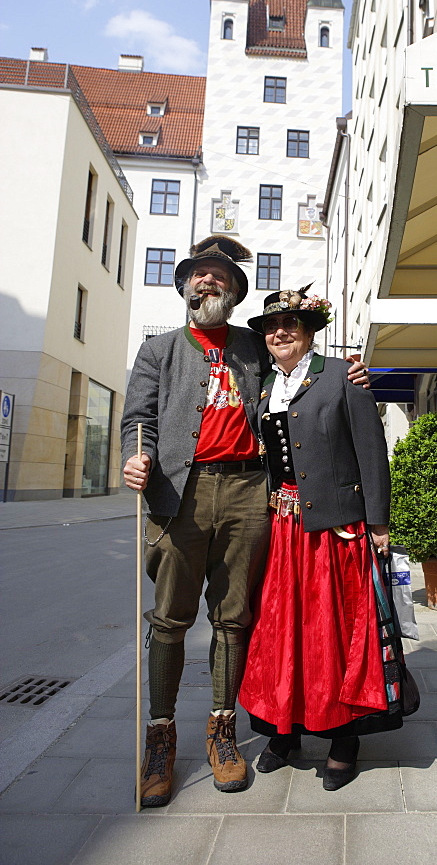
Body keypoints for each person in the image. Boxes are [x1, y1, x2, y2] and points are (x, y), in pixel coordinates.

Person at [121, 237, 368, 806]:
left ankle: (223, 731)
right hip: (179, 491)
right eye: (199, 277)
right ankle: (160, 738)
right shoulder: (159, 350)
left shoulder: (255, 347)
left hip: (246, 490)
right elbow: (139, 420)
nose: (208, 284)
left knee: (235, 618)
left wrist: (349, 374)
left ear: (233, 293)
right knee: (169, 619)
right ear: (185, 287)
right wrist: (137, 458)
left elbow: (300, 375)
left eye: (220, 278)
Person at [239, 286, 403, 791]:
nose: (279, 332)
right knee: (281, 633)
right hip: (283, 529)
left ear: (309, 330)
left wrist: (378, 522)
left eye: (290, 324)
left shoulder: (341, 375)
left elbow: (371, 451)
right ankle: (284, 730)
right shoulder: (264, 385)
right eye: (270, 327)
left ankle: (343, 739)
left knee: (332, 633)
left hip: (335, 529)